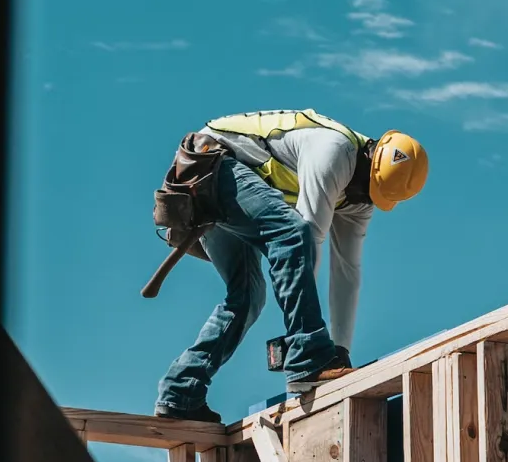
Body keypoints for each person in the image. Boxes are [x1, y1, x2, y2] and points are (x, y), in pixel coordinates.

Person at [154, 108, 428, 422]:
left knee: (246, 298)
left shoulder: (359, 198)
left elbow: (346, 273)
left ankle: (181, 392)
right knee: (292, 232)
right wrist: (310, 349)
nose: (360, 198)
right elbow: (305, 238)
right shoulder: (334, 151)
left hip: (225, 185)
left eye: (370, 195)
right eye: (364, 188)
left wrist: (340, 350)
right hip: (209, 165)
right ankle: (308, 356)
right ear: (369, 158)